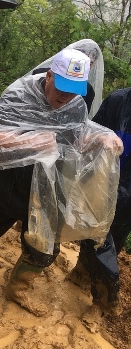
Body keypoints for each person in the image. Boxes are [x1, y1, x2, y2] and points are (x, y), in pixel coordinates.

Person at [0, 48, 122, 316]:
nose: (65, 96)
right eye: (61, 86)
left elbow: (75, 139)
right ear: (49, 75)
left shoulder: (76, 103)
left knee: (45, 245)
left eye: (74, 90)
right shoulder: (19, 94)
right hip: (13, 175)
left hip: (50, 182)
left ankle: (18, 288)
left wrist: (99, 139)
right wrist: (33, 142)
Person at [67, 87, 131, 320]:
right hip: (103, 182)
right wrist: (102, 139)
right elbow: (89, 135)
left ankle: (92, 288)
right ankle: (94, 289)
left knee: (115, 239)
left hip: (129, 194)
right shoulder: (118, 100)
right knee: (94, 236)